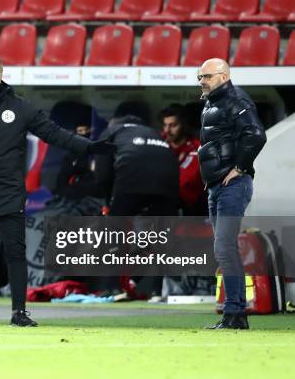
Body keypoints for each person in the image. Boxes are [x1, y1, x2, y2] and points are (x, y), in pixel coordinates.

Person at [0, 53, 114, 327]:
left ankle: (19, 312)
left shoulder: (21, 108)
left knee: (16, 252)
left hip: (9, 193)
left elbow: (54, 134)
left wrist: (88, 147)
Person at [197, 58, 266, 330]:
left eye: (208, 76)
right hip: (217, 186)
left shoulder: (237, 100)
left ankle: (235, 313)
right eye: (200, 76)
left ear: (224, 77)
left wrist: (240, 167)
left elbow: (256, 135)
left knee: (225, 248)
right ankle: (234, 313)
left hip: (232, 186)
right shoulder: (212, 102)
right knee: (224, 249)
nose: (202, 81)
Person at [89, 101, 180, 301]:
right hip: (169, 180)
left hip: (132, 177)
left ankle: (113, 288)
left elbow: (103, 176)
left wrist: (108, 202)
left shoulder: (110, 131)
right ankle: (156, 291)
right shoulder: (152, 132)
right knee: (160, 236)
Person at [160, 104, 206, 215]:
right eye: (165, 125)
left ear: (184, 125)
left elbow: (184, 183)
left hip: (191, 209)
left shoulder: (196, 147)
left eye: (173, 125)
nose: (167, 130)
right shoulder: (158, 141)